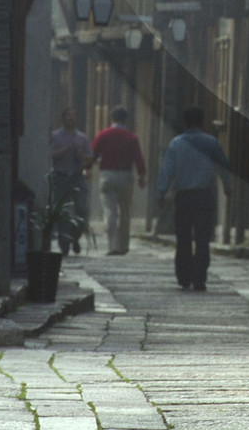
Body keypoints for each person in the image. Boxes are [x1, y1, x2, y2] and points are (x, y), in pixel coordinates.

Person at [159, 106, 229, 292]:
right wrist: (227, 186)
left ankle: (184, 277)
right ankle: (199, 278)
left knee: (183, 238)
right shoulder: (211, 143)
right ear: (202, 121)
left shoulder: (176, 143)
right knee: (202, 239)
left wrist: (161, 192)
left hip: (183, 197)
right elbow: (223, 166)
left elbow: (167, 170)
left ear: (185, 122)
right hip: (204, 196)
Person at [90, 107, 146, 255]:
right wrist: (141, 176)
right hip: (125, 176)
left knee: (109, 210)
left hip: (107, 175)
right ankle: (123, 246)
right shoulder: (131, 137)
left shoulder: (103, 135)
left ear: (112, 119)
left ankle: (111, 245)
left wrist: (86, 168)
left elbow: (92, 155)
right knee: (125, 212)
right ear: (125, 120)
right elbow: (138, 158)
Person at [48, 110, 93, 254]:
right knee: (62, 210)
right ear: (63, 118)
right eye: (68, 116)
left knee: (82, 209)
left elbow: (90, 158)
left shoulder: (82, 138)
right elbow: (48, 154)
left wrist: (81, 155)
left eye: (74, 116)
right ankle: (64, 243)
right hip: (60, 176)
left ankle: (75, 236)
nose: (71, 118)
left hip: (77, 176)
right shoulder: (55, 136)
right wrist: (65, 150)